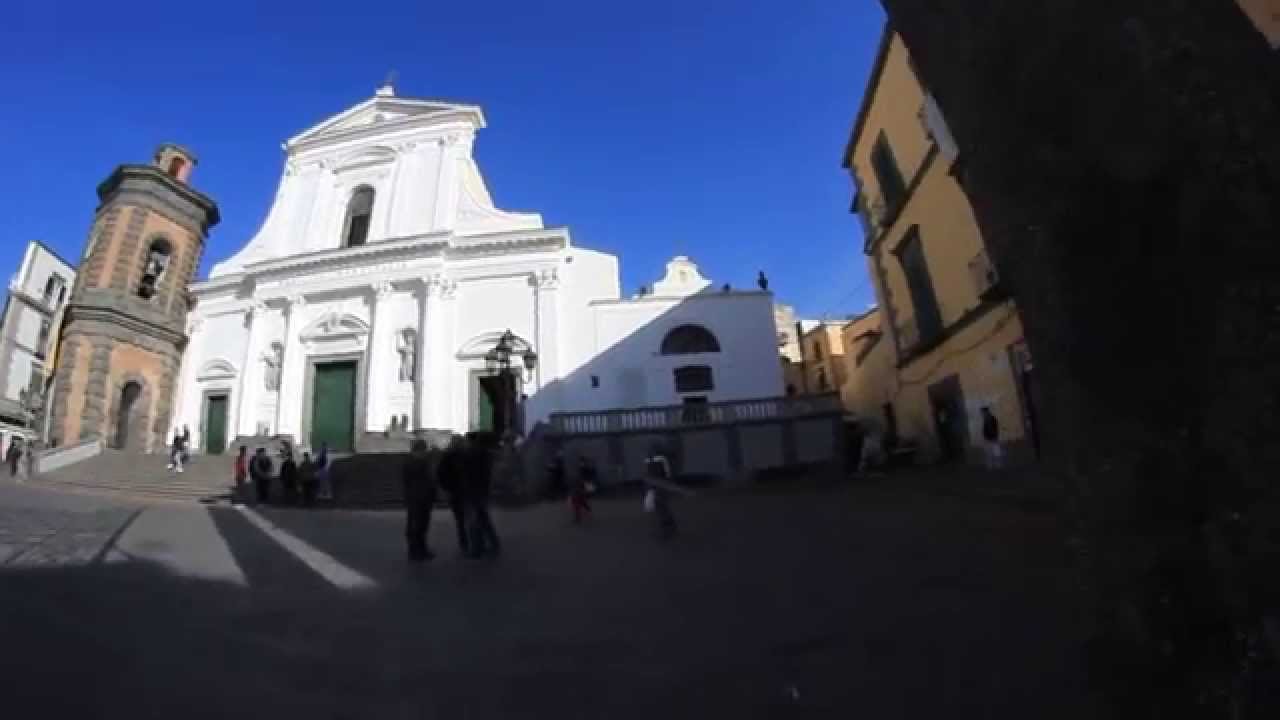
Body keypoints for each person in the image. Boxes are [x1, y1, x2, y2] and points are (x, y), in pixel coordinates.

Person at [644, 442, 691, 540]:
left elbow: (666, 472)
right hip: (656, 485)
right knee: (660, 507)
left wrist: (666, 482)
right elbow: (648, 473)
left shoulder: (660, 459)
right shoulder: (649, 460)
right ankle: (668, 526)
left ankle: (668, 526)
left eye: (652, 449)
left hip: (661, 485)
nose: (650, 451)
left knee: (661, 506)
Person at [402, 438, 438, 562]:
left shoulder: (410, 462)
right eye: (423, 449)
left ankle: (417, 550)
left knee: (418, 524)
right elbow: (430, 480)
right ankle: (418, 550)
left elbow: (406, 481)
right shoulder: (421, 463)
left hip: (415, 497)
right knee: (419, 525)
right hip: (421, 497)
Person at [465, 432, 500, 558]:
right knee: (483, 518)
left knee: (474, 521)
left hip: (473, 490)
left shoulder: (473, 454)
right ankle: (494, 543)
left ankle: (477, 549)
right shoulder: (485, 454)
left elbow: (469, 473)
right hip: (481, 490)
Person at [437, 434, 469, 555]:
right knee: (464, 519)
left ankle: (465, 542)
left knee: (461, 520)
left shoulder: (449, 456)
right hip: (460, 492)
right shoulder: (455, 456)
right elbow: (441, 474)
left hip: (458, 492)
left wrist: (447, 488)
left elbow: (441, 474)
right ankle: (466, 542)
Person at [570, 455, 595, 524]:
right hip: (581, 486)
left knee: (578, 500)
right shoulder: (584, 468)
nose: (580, 463)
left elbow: (585, 478)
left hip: (581, 486)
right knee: (580, 500)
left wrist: (585, 485)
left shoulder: (584, 468)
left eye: (581, 461)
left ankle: (578, 517)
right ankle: (584, 513)